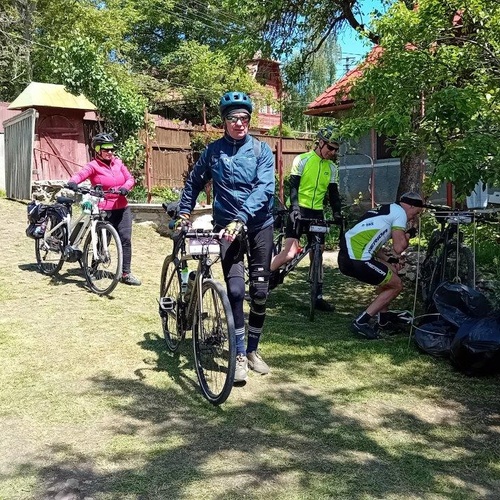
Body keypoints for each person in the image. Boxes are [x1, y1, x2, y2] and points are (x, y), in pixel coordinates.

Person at [176, 91, 275, 382]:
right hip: (226, 229)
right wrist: (184, 212)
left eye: (244, 117)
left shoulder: (261, 151)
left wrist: (241, 218)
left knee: (260, 293)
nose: (239, 123)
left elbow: (264, 188)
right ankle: (240, 353)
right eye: (233, 118)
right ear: (224, 121)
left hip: (258, 226)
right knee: (235, 291)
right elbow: (194, 183)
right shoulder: (213, 152)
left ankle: (253, 349)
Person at [270, 125, 342, 311]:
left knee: (318, 253)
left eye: (336, 149)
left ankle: (317, 295)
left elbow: (333, 194)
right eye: (330, 148)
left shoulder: (332, 168)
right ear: (320, 143)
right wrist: (294, 208)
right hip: (298, 209)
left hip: (316, 212)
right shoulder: (302, 159)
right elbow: (293, 186)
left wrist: (337, 212)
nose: (332, 152)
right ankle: (261, 280)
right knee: (290, 253)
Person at [337, 192, 424, 339]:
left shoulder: (388, 209)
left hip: (348, 255)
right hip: (356, 257)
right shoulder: (400, 214)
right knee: (396, 285)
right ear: (410, 206)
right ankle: (361, 322)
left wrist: (390, 260)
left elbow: (372, 242)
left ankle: (383, 320)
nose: (413, 218)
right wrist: (410, 233)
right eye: (416, 213)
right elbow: (399, 247)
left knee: (392, 272)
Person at [67, 132, 141, 286]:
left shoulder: (118, 163)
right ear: (98, 150)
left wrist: (125, 187)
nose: (110, 152)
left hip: (122, 207)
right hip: (104, 208)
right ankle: (94, 269)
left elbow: (130, 178)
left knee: (125, 239)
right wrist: (73, 182)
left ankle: (126, 273)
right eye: (106, 149)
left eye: (112, 148)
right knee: (102, 240)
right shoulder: (93, 166)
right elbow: (80, 175)